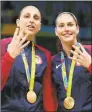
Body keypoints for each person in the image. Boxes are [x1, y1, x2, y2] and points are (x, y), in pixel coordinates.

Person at [1, 6, 57, 112]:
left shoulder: (45, 54)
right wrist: (9, 57)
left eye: (36, 18)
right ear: (18, 22)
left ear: (39, 26)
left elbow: (47, 94)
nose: (31, 20)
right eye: (27, 16)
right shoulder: (2, 46)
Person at [52, 12, 92, 112]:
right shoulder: (52, 61)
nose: (66, 29)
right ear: (56, 32)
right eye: (61, 26)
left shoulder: (90, 52)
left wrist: (90, 65)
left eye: (70, 24)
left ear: (77, 29)